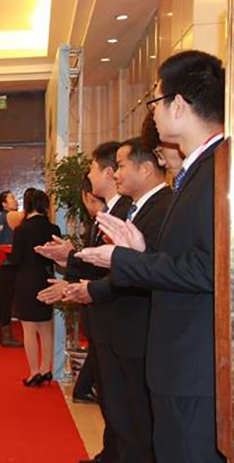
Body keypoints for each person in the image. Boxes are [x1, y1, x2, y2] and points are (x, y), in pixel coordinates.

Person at [77, 50, 225, 463]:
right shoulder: (198, 171)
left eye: (154, 100)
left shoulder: (218, 172)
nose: (152, 113)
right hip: (180, 362)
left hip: (194, 365)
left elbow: (210, 269)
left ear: (179, 105)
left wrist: (124, 261)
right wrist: (140, 251)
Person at [67, 138, 171, 463]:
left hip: (136, 325)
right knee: (121, 413)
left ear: (147, 168)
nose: (117, 173)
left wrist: (93, 289)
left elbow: (150, 267)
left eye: (122, 166)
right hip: (119, 326)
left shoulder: (163, 207)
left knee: (136, 418)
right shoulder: (137, 208)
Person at [37, 141, 131, 463]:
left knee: (122, 405)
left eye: (91, 168)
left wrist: (77, 275)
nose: (89, 175)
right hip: (104, 322)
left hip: (119, 322)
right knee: (110, 400)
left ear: (109, 172)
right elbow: (99, 266)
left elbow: (119, 270)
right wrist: (71, 261)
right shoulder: (109, 214)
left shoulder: (124, 213)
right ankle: (110, 453)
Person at [5, 189, 60, 386]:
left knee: (29, 329)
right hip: (46, 279)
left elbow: (16, 259)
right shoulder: (53, 229)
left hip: (26, 281)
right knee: (46, 328)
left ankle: (34, 371)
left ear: (27, 205)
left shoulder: (21, 230)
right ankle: (46, 369)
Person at [70, 175, 105, 405]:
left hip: (101, 299)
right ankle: (83, 390)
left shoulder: (110, 220)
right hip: (95, 298)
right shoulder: (96, 223)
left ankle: (82, 389)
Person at [0, 190, 22, 347]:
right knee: (6, 297)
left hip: (0, 262)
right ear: (4, 204)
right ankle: (6, 334)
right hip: (7, 262)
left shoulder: (1, 217)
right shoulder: (11, 215)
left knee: (2, 296)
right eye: (12, 198)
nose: (15, 201)